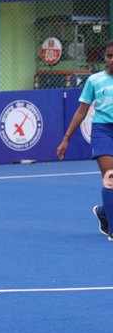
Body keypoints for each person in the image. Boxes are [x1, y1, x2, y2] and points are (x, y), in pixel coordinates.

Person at [57, 39, 113, 241]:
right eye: (109, 56)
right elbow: (81, 111)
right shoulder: (95, 81)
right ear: (104, 58)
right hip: (103, 132)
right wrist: (66, 139)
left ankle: (104, 212)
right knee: (111, 178)